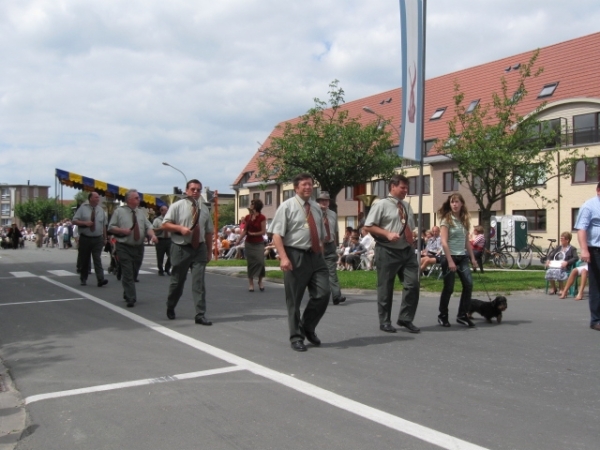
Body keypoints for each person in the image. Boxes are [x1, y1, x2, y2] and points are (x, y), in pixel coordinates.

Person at [269, 173, 330, 351]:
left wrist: (321, 251)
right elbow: (276, 234)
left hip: (316, 256)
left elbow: (320, 234)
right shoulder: (287, 207)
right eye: (304, 185)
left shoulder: (316, 208)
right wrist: (284, 257)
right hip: (295, 255)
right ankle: (296, 336)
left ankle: (308, 326)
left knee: (323, 293)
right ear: (296, 188)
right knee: (294, 300)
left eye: (310, 184)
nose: (308, 187)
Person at [364, 174, 420, 334]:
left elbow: (409, 226)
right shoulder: (381, 204)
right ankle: (385, 321)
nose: (405, 190)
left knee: (413, 284)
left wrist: (413, 234)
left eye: (406, 188)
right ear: (393, 187)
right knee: (386, 287)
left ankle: (405, 318)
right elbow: (369, 226)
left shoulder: (406, 206)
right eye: (403, 187)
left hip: (406, 250)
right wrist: (387, 234)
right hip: (388, 251)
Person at [162, 179, 214, 324]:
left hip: (199, 248)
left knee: (199, 283)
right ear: (187, 190)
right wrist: (180, 228)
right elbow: (165, 225)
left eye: (198, 189)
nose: (196, 192)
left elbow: (209, 232)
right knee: (177, 282)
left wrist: (209, 252)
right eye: (193, 189)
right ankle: (171, 305)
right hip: (181, 247)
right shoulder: (177, 206)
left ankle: (200, 314)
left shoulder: (204, 208)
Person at [108, 189, 158, 307]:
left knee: (134, 271)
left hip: (138, 247)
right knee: (128, 271)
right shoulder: (119, 212)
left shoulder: (140, 213)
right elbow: (111, 227)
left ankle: (127, 291)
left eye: (138, 198)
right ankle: (131, 297)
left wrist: (153, 236)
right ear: (129, 199)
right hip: (124, 246)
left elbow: (148, 226)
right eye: (136, 198)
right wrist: (122, 230)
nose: (139, 199)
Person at [437, 193, 479, 328]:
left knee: (468, 284)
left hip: (462, 257)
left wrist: (473, 258)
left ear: (462, 204)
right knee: (449, 288)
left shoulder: (464, 220)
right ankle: (442, 316)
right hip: (450, 257)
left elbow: (467, 242)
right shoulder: (446, 220)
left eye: (457, 202)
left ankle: (462, 315)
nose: (454, 204)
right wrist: (450, 261)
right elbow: (444, 242)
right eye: (452, 202)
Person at [575, 183, 600, 331]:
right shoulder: (589, 206)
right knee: (597, 285)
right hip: (596, 250)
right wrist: (584, 250)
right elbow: (582, 229)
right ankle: (596, 320)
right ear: (598, 190)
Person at [72, 192, 109, 287]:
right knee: (85, 259)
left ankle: (100, 279)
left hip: (97, 238)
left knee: (97, 259)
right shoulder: (82, 209)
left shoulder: (101, 210)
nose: (98, 199)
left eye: (98, 197)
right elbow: (74, 221)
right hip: (85, 238)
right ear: (91, 198)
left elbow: (104, 225)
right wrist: (84, 223)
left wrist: (105, 238)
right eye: (96, 197)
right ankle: (83, 278)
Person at [316, 192, 346, 305]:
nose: (324, 202)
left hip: (330, 245)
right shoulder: (313, 213)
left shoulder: (332, 214)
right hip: (318, 246)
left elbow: (334, 231)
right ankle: (319, 295)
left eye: (327, 200)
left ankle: (336, 296)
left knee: (332, 272)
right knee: (318, 272)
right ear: (318, 202)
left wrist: (334, 244)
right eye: (322, 200)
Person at [237, 199, 267, 292]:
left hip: (258, 243)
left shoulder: (262, 217)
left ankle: (260, 281)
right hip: (249, 243)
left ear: (256, 206)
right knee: (251, 263)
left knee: (260, 262)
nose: (250, 205)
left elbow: (263, 231)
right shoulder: (247, 217)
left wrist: (253, 234)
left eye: (252, 204)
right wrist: (239, 239)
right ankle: (251, 283)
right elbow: (245, 230)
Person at [153, 205, 172, 276]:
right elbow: (153, 230)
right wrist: (160, 228)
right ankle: (160, 270)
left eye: (167, 210)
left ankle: (167, 269)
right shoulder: (157, 220)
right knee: (160, 256)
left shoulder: (170, 220)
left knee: (171, 255)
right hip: (160, 240)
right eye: (165, 210)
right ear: (161, 211)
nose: (167, 211)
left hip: (169, 240)